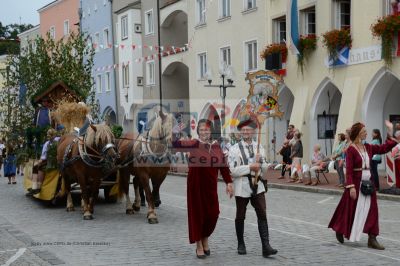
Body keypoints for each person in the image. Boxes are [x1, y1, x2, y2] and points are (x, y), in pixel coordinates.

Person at [328, 121, 398, 250]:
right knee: (349, 209)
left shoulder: (369, 147)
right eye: (364, 131)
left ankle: (372, 238)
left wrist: (389, 132)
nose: (366, 133)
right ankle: (340, 229)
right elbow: (348, 170)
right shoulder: (350, 150)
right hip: (355, 183)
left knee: (373, 210)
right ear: (358, 133)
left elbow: (383, 148)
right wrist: (351, 187)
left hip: (368, 184)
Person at [173, 119, 233, 259]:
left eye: (206, 129)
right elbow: (174, 145)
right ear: (198, 131)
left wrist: (229, 183)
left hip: (211, 187)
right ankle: (199, 244)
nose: (204, 131)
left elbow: (223, 166)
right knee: (198, 215)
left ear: (210, 131)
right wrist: (176, 131)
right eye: (201, 129)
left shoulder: (216, 146)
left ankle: (205, 237)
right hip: (195, 186)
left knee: (213, 214)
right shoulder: (193, 143)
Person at [228, 118, 277, 258]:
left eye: (248, 129)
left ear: (253, 131)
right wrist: (250, 167)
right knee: (240, 215)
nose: (245, 132)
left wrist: (261, 162)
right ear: (240, 132)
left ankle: (266, 246)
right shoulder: (234, 149)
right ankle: (241, 243)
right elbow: (232, 170)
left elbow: (265, 169)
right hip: (242, 186)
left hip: (258, 185)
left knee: (262, 213)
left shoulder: (259, 147)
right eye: (243, 130)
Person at [27, 128, 60, 196]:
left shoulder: (48, 143)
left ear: (53, 135)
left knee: (36, 166)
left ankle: (37, 187)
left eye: (50, 136)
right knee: (38, 165)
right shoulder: (59, 140)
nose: (48, 137)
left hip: (51, 162)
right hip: (58, 161)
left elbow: (43, 157)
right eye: (48, 136)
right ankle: (35, 187)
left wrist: (39, 161)